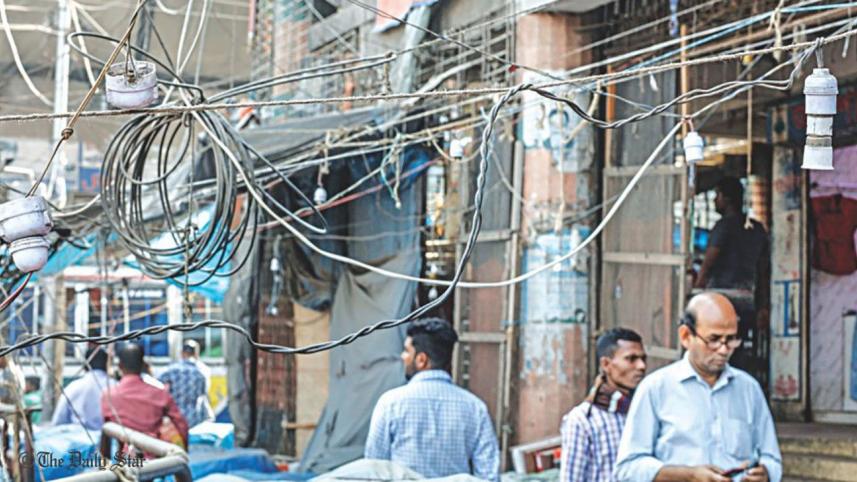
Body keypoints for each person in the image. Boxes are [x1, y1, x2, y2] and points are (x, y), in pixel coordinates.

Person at [614, 292, 782, 482]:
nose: (724, 350)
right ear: (686, 336)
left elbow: (772, 459)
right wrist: (688, 476)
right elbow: (628, 468)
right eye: (714, 339)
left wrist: (766, 474)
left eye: (731, 339)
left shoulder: (749, 389)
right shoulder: (655, 389)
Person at [364, 318, 500, 481]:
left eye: (407, 351)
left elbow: (374, 470)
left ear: (421, 360)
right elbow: (489, 476)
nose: (402, 357)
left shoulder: (390, 403)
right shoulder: (475, 407)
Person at [560, 328, 647, 482]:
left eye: (643, 359)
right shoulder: (583, 420)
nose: (641, 366)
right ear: (606, 364)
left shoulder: (646, 411)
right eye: (631, 359)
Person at [102, 343, 189, 447]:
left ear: (120, 366)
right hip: (155, 453)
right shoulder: (160, 394)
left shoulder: (108, 395)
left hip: (121, 455)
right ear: (143, 365)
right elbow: (181, 425)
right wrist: (182, 451)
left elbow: (105, 433)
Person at [52, 345, 115, 430]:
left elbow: (58, 422)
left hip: (76, 436)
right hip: (110, 436)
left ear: (85, 366)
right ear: (107, 365)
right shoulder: (116, 387)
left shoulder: (73, 387)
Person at [159, 342, 208, 428]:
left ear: (182, 353)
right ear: (196, 354)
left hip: (175, 417)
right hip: (194, 418)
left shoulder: (171, 369)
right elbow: (203, 394)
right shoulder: (202, 371)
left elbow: (157, 385)